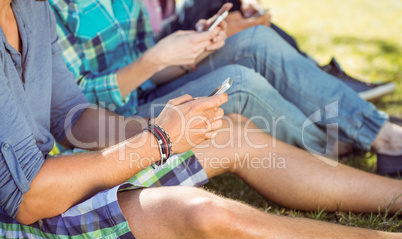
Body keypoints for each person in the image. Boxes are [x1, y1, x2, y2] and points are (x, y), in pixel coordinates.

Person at [4, 1, 402, 239]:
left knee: (229, 133)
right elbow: (28, 201)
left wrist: (162, 130)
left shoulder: (30, 9)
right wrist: (157, 142)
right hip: (16, 228)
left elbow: (70, 116)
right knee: (203, 214)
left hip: (54, 172)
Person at [49, 0, 402, 175]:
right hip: (118, 126)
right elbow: (71, 110)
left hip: (147, 92)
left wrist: (191, 46)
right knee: (241, 83)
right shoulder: (47, 9)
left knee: (255, 40)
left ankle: (378, 130)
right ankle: (332, 144)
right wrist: (153, 61)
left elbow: (147, 63)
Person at [156, 0, 396, 101]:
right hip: (159, 63)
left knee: (250, 25)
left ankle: (316, 71)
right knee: (255, 35)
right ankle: (318, 73)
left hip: (168, 43)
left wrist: (246, 10)